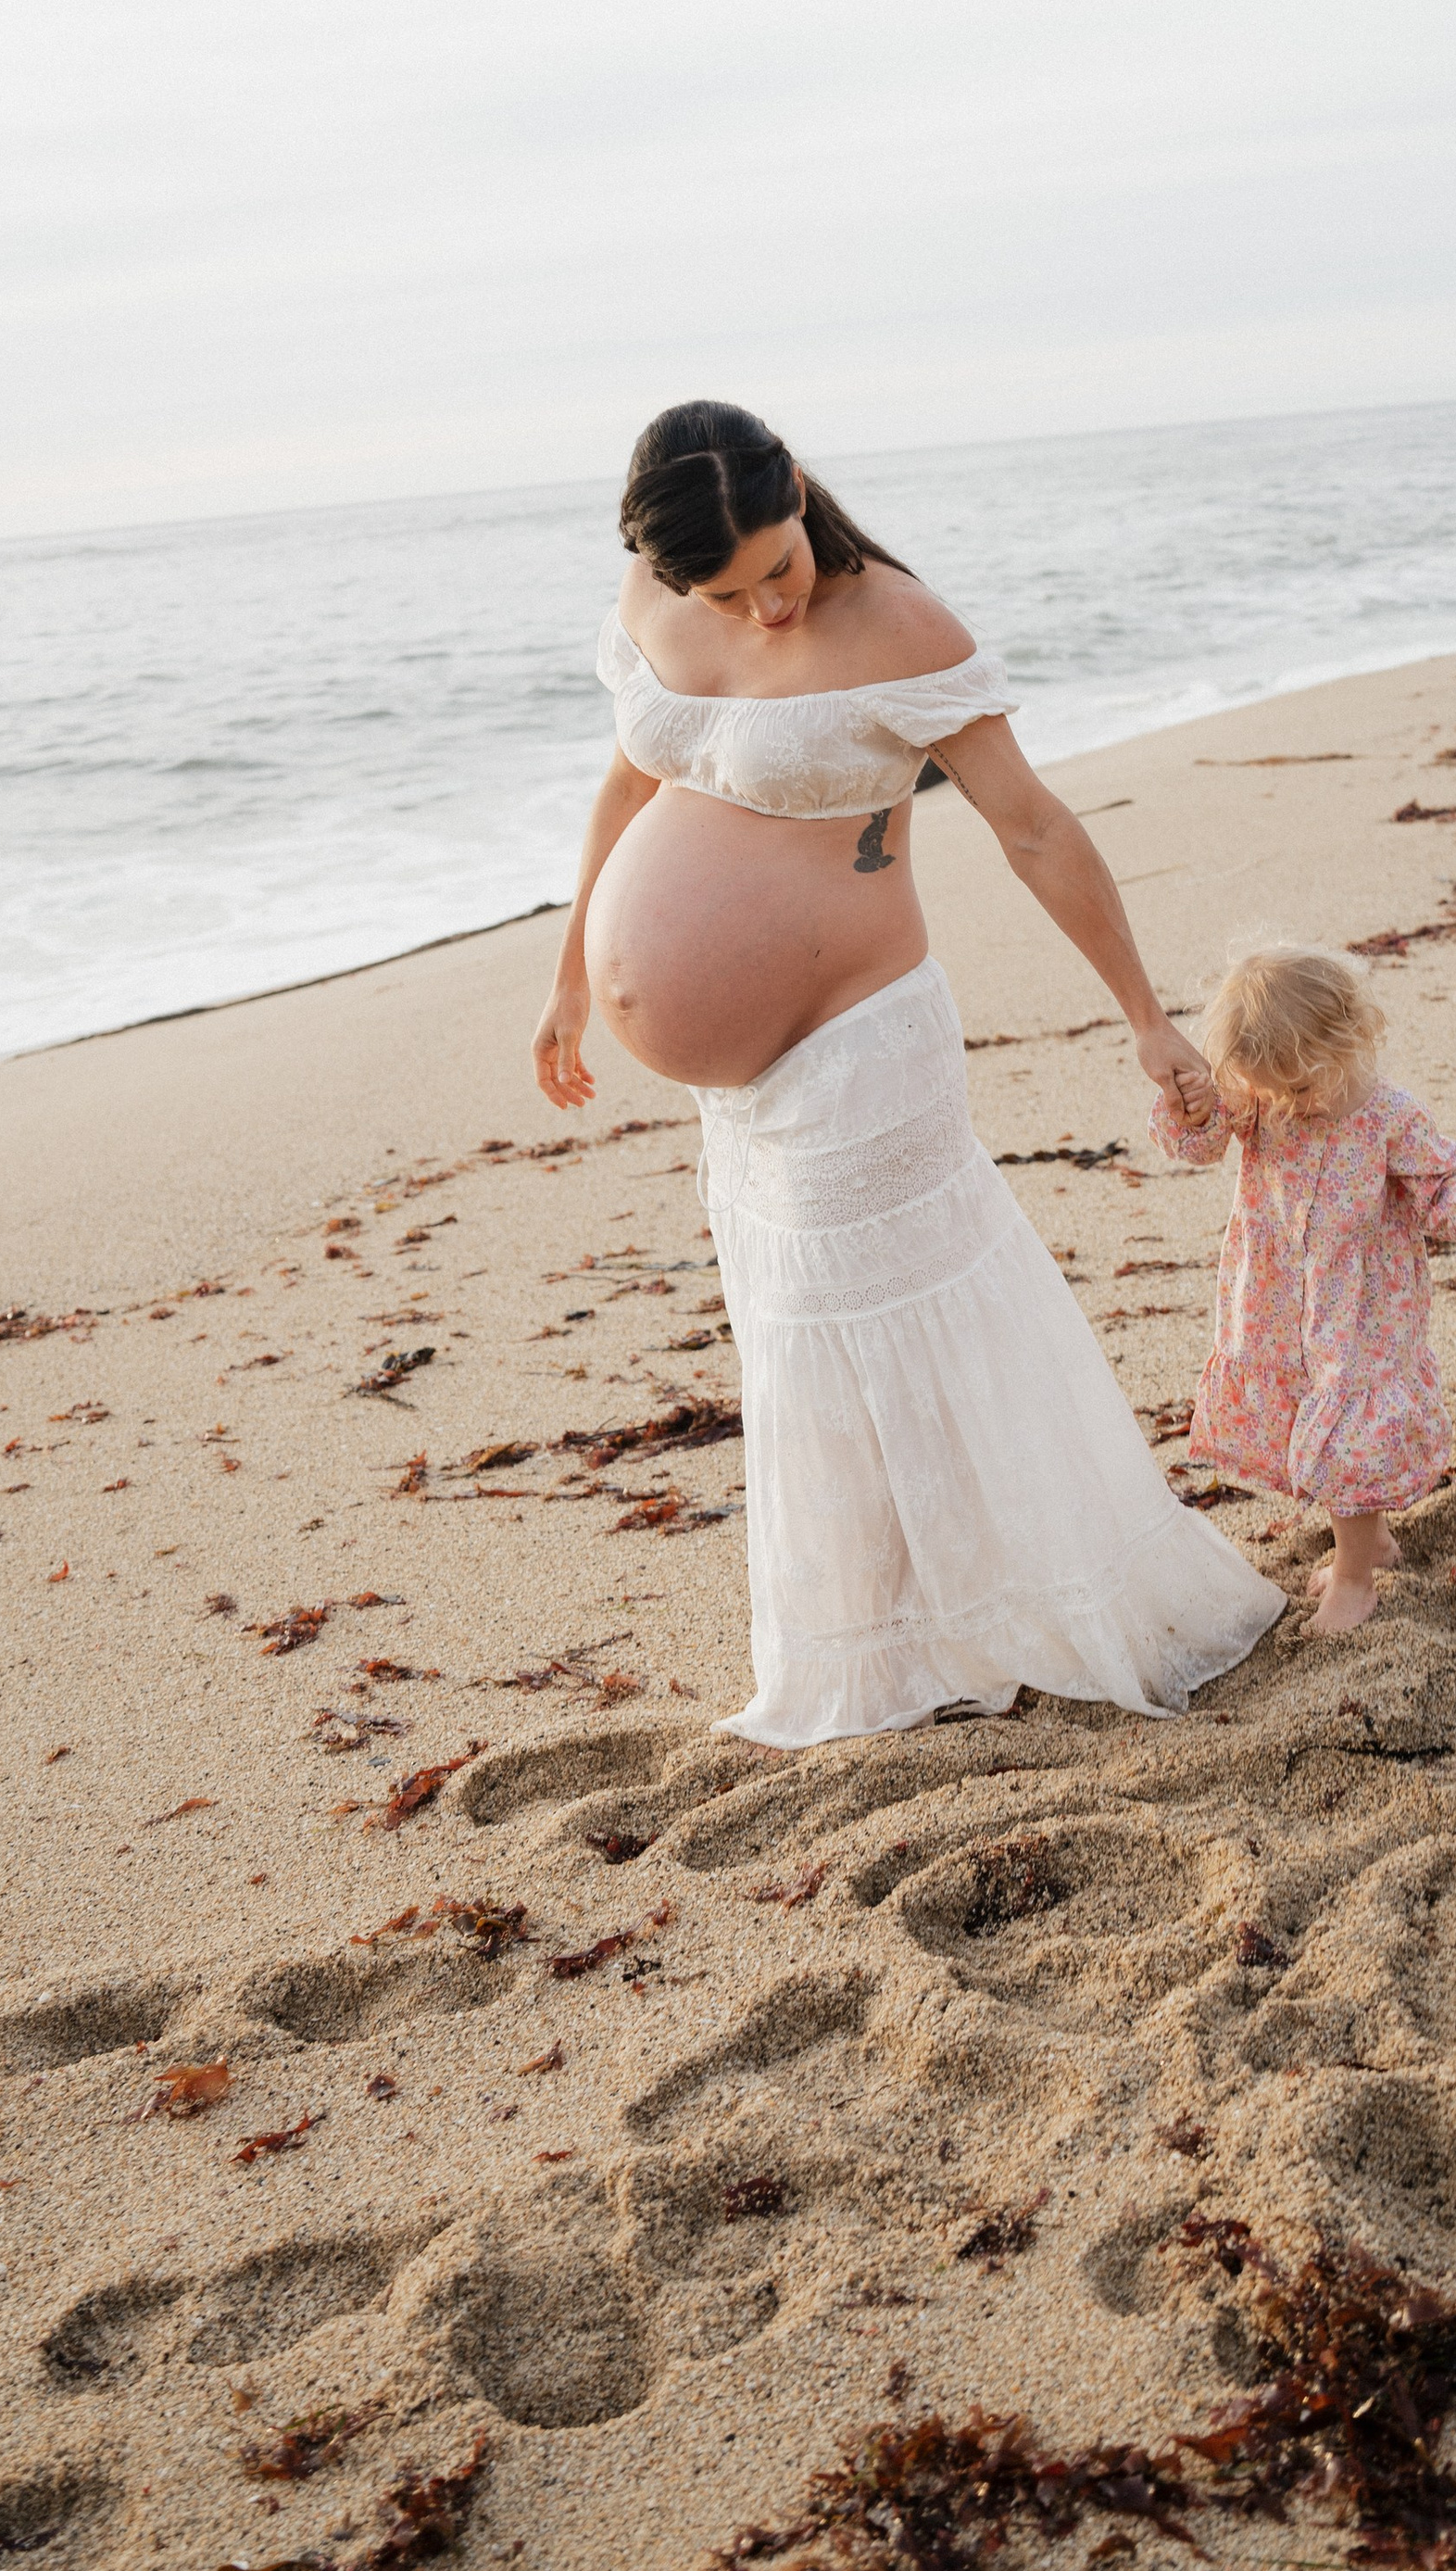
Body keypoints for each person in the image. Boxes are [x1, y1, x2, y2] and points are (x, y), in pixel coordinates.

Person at [533, 397, 1285, 1746]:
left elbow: (1036, 829)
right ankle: (890, 1636)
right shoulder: (659, 601)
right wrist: (571, 977)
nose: (763, 610)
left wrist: (1146, 1020)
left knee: (899, 1332)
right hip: (738, 1097)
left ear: (801, 490)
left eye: (779, 571)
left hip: (860, 1041)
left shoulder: (900, 629)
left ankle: (1017, 1616)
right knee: (798, 1338)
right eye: (727, 590)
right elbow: (628, 787)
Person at [1148, 944, 1456, 1632]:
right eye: (1269, 1089)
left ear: (1346, 1046)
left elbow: (1440, 1179)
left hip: (1363, 1311)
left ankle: (1355, 1579)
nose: (1287, 1105)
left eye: (1300, 1087)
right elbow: (1201, 1147)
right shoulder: (1265, 1103)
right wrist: (1198, 1108)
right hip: (1278, 1307)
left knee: (1348, 1435)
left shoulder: (1387, 1114)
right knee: (1319, 1426)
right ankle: (1372, 1540)